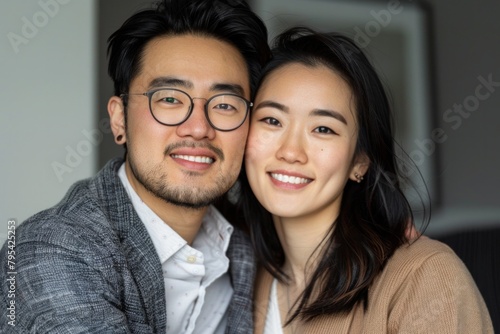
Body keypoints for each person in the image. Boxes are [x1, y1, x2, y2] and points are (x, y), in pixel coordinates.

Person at [0, 0, 270, 333]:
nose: (198, 128)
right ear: (119, 119)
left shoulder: (249, 245)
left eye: (225, 105)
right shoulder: (51, 248)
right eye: (169, 99)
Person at [239, 27, 494, 333]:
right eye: (272, 120)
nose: (291, 151)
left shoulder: (424, 275)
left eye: (323, 129)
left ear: (360, 162)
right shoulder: (243, 277)